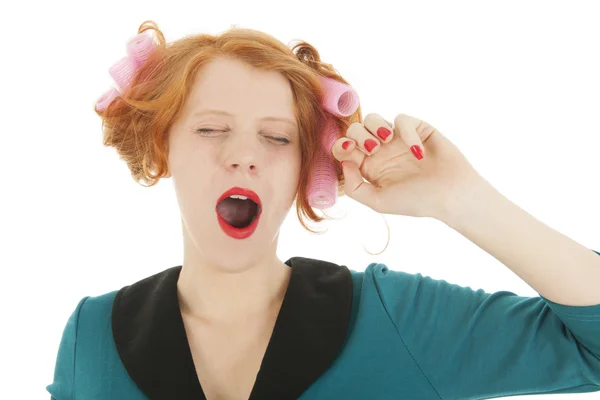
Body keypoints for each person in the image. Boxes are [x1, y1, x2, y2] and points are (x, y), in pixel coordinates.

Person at [46, 20, 600, 400]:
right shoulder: (90, 336)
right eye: (212, 129)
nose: (243, 156)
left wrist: (461, 200)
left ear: (305, 169)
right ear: (165, 148)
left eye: (277, 138)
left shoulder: (393, 317)